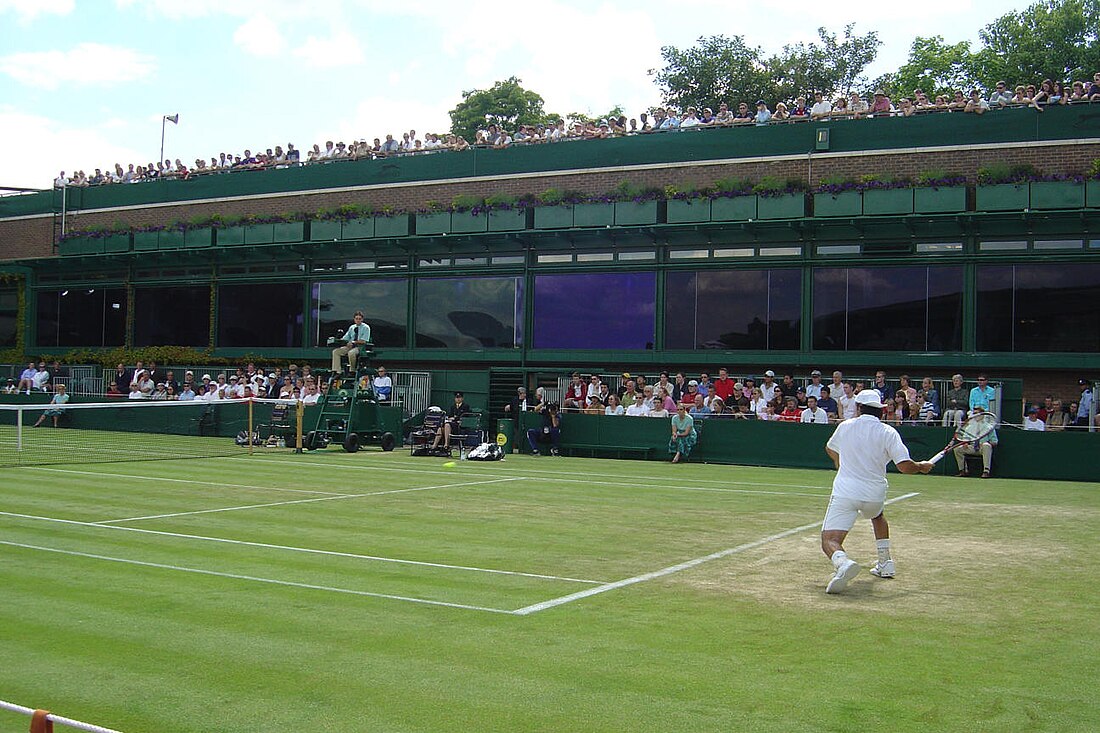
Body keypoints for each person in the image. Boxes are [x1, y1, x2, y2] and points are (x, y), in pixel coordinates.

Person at [821, 390, 934, 594]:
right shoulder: (888, 432)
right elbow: (904, 466)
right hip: (874, 495)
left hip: (846, 492)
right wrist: (920, 466)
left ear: (858, 408)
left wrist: (838, 462)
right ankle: (885, 563)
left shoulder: (844, 426)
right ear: (880, 411)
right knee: (877, 515)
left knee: (830, 540)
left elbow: (830, 448)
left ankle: (842, 563)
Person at [952, 406, 998, 478]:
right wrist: (965, 443)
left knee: (987, 446)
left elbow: (995, 442)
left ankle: (986, 471)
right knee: (957, 449)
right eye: (974, 413)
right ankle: (963, 471)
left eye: (977, 413)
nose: (975, 415)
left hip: (982, 448)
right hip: (972, 447)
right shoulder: (969, 427)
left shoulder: (989, 427)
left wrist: (985, 443)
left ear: (982, 415)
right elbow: (965, 439)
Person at [331, 310, 371, 374]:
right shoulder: (352, 327)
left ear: (362, 319)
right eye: (356, 319)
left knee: (351, 353)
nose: (358, 320)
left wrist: (353, 342)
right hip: (350, 346)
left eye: (359, 319)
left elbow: (364, 341)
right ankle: (337, 371)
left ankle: (352, 370)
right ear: (354, 319)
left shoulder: (366, 328)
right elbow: (345, 338)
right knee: (336, 351)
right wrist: (338, 340)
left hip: (360, 347)